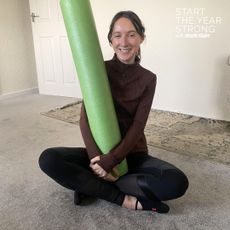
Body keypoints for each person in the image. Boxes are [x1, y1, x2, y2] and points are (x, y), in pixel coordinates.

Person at [39, 11, 188, 213]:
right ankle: (122, 198)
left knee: (177, 182)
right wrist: (99, 162)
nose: (123, 42)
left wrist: (112, 161)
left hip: (131, 154)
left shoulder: (148, 79)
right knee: (49, 159)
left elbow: (138, 126)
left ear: (141, 38)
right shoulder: (98, 69)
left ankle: (90, 185)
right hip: (99, 153)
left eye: (131, 34)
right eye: (117, 35)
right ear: (110, 40)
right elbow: (85, 118)